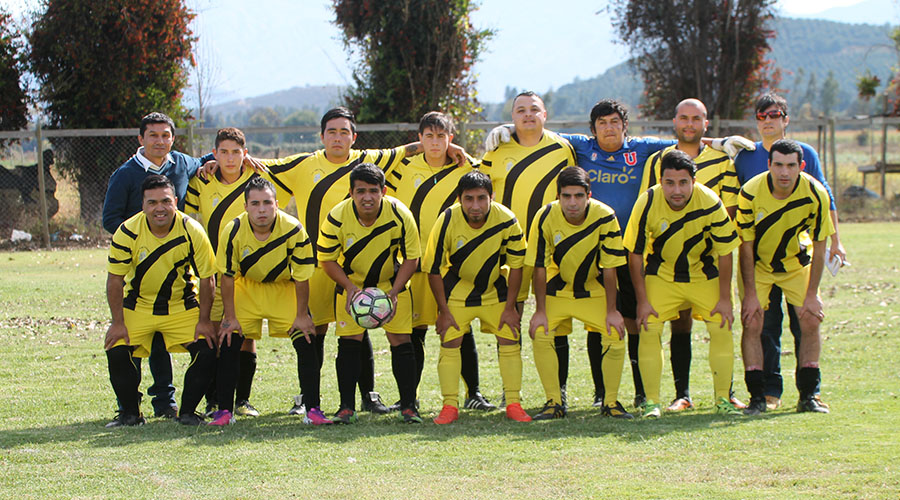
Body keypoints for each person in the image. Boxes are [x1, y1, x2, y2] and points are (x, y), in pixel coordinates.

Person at [486, 98, 752, 409]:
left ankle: (642, 393)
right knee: (596, 321)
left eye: (615, 122)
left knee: (636, 321)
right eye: (602, 123)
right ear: (593, 129)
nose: (609, 128)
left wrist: (715, 141)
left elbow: (683, 139)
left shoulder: (642, 148)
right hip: (592, 248)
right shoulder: (581, 147)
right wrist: (508, 128)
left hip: (633, 249)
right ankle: (597, 393)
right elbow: (542, 130)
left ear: (625, 126)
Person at [260, 107, 467, 415]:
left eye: (344, 132)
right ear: (322, 136)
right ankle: (309, 399)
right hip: (319, 265)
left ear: (353, 137)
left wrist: (447, 145)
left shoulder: (368, 162)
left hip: (372, 271)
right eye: (332, 131)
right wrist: (210, 162)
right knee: (315, 333)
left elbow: (403, 150)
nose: (338, 137)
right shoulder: (304, 163)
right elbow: (258, 165)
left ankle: (372, 397)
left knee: (372, 327)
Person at [733, 92, 846, 410]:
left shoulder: (815, 192)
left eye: (790, 166)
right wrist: (751, 294)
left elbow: (821, 241)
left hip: (797, 264)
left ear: (801, 166)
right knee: (753, 321)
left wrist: (813, 294)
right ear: (768, 164)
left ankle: (809, 395)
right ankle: (758, 397)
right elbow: (746, 245)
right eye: (778, 165)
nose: (784, 172)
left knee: (810, 319)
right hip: (759, 266)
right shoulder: (751, 191)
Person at [101, 112, 214, 419]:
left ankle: (172, 405)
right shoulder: (125, 176)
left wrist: (219, 159)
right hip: (138, 267)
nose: (160, 141)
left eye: (165, 135)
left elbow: (205, 157)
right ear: (141, 139)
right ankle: (129, 408)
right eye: (153, 135)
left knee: (198, 343)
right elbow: (109, 219)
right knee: (127, 344)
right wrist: (141, 240)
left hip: (178, 290)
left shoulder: (178, 163)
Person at [639, 98, 744, 412]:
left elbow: (731, 208)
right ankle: (680, 394)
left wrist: (698, 231)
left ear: (706, 124)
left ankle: (725, 393)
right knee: (678, 324)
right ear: (674, 122)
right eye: (683, 118)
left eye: (696, 119)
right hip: (666, 260)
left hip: (707, 260)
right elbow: (650, 201)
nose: (689, 124)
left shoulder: (722, 159)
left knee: (721, 322)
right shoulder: (659, 159)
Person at [384, 111, 494, 411]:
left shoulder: (464, 167)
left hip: (451, 267)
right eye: (429, 136)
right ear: (419, 139)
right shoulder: (403, 168)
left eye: (441, 136)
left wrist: (463, 153)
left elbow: (484, 180)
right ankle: (410, 397)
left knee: (460, 327)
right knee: (415, 330)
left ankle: (474, 393)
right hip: (414, 264)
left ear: (451, 139)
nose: (435, 142)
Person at [481, 91, 577, 408]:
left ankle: (557, 393)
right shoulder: (498, 148)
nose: (527, 115)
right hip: (509, 249)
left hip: (551, 248)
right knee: (509, 320)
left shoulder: (562, 149)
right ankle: (513, 395)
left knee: (555, 325)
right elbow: (477, 187)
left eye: (534, 109)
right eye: (520, 110)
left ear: (545, 114)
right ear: (512, 117)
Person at [185, 127, 287, 418]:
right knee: (218, 335)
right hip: (217, 271)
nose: (230, 158)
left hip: (250, 271)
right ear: (214, 154)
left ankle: (242, 399)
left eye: (236, 152)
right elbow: (188, 215)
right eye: (224, 152)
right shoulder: (202, 181)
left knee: (246, 336)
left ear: (246, 153)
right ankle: (215, 400)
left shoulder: (257, 180)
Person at [424, 171, 531, 424]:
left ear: (491, 197)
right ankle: (449, 405)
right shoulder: (447, 219)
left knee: (510, 338)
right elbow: (433, 268)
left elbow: (517, 266)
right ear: (459, 199)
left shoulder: (506, 219)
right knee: (450, 343)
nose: (475, 205)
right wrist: (443, 311)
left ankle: (513, 403)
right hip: (458, 292)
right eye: (469, 199)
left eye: (482, 198)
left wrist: (511, 307)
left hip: (495, 291)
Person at [318, 163, 422, 424]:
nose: (367, 197)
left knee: (401, 342)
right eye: (361, 191)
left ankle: (409, 406)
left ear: (383, 191)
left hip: (391, 284)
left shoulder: (400, 213)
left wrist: (395, 292)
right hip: (351, 287)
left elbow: (412, 258)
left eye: (373, 191)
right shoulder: (337, 216)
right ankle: (346, 408)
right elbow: (327, 260)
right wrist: (352, 289)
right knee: (349, 343)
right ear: (351, 192)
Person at [214, 177, 323, 425]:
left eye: (267, 202)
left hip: (283, 288)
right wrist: (229, 318)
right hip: (247, 288)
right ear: (245, 206)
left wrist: (302, 315)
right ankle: (224, 411)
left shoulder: (294, 229)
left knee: (306, 338)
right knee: (230, 339)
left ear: (277, 204)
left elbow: (302, 276)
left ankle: (313, 409)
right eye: (255, 203)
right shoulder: (232, 230)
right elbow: (227, 277)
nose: (261, 209)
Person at [527, 166, 629, 420]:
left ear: (589, 195)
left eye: (578, 196)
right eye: (566, 196)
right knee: (541, 332)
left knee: (615, 333)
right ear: (558, 196)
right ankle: (554, 402)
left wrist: (612, 311)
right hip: (557, 290)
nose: (573, 203)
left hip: (592, 289)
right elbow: (539, 267)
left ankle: (611, 402)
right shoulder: (544, 216)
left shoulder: (605, 216)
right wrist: (539, 311)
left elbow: (610, 267)